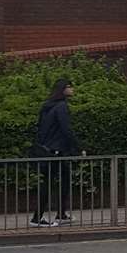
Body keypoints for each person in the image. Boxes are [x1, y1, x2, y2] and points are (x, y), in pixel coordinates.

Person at [30, 78, 81, 227]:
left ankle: (61, 214)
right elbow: (66, 130)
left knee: (62, 181)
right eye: (70, 87)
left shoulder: (47, 106)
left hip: (46, 149)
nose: (72, 89)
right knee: (50, 184)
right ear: (63, 89)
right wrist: (78, 148)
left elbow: (40, 128)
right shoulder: (61, 106)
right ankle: (37, 218)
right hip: (57, 151)